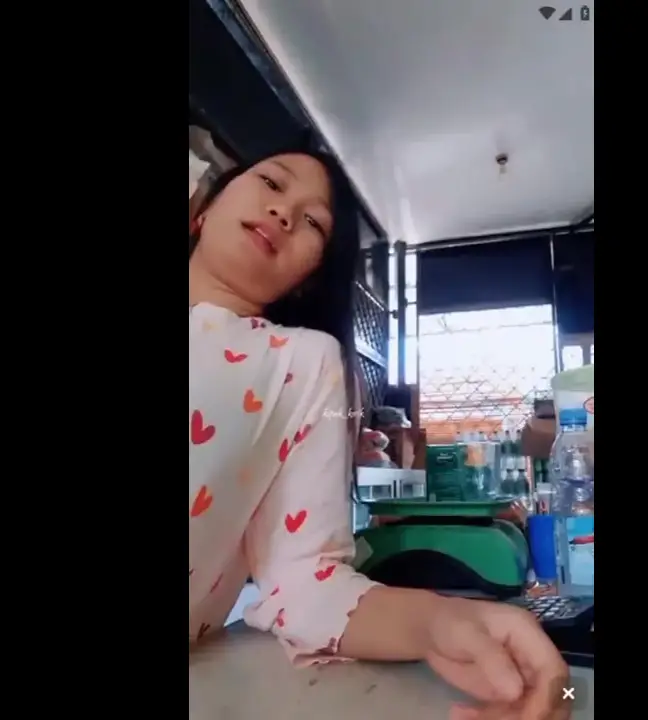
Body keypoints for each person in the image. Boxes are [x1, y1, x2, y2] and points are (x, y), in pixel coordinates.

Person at [189, 145, 571, 719]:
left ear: (307, 279)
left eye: (314, 221)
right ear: (203, 209)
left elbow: (305, 580)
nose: (284, 213)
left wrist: (440, 621)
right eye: (270, 183)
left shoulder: (301, 362)